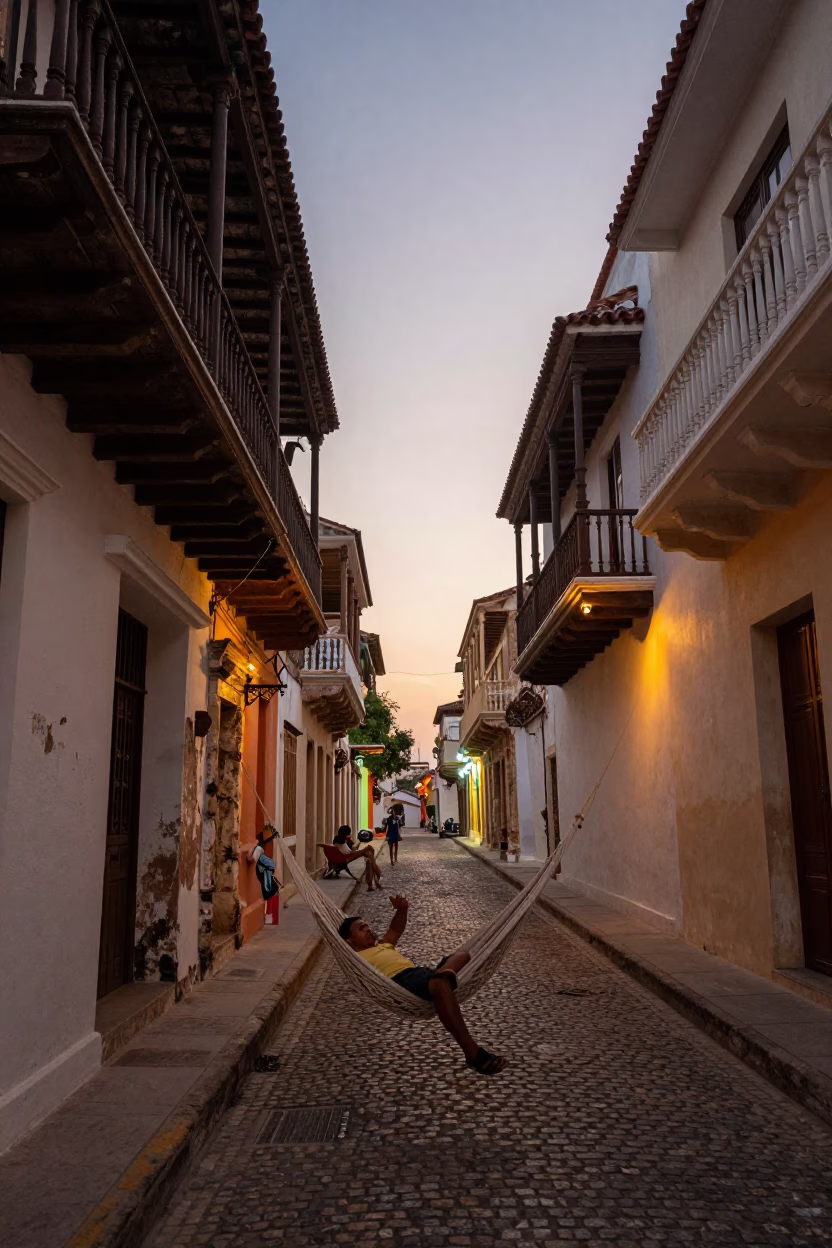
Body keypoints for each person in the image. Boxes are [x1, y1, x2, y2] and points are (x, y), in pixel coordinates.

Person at [339, 894, 507, 1075]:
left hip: (422, 974)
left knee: (462, 956)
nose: (368, 929)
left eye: (368, 926)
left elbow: (395, 929)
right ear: (350, 941)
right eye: (361, 929)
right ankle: (473, 1053)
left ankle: (441, 978)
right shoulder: (356, 958)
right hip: (402, 981)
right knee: (440, 985)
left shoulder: (382, 945)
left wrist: (402, 909)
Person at [333, 824, 383, 891]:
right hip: (348, 855)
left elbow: (353, 848)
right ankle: (378, 875)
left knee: (369, 856)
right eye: (348, 834)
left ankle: (373, 882)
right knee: (368, 852)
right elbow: (344, 853)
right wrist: (363, 849)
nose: (349, 835)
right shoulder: (337, 840)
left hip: (350, 853)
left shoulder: (343, 840)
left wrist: (356, 842)